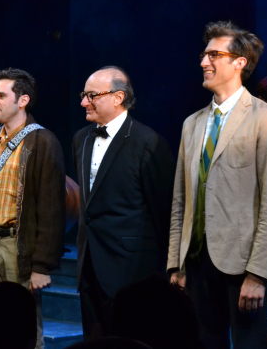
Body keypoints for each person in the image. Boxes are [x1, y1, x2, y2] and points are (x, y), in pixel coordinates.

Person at [168, 21, 267, 349]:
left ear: (240, 62)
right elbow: (181, 200)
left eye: (213, 55)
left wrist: (258, 274)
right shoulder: (191, 124)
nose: (203, 62)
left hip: (244, 264)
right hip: (196, 262)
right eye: (203, 54)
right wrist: (177, 263)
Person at [72, 66, 175, 340]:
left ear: (118, 97)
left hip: (131, 270)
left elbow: (162, 211)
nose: (84, 101)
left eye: (91, 95)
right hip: (89, 265)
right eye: (84, 95)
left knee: (130, 341)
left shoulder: (148, 142)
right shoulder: (81, 138)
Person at [0, 68, 66, 349]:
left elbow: (52, 209)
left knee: (23, 324)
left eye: (1, 95)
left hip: (19, 245)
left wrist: (41, 266)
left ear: (22, 100)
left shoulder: (42, 141)